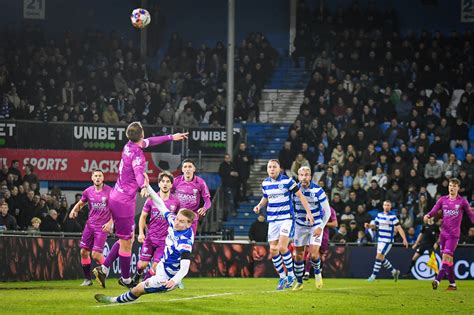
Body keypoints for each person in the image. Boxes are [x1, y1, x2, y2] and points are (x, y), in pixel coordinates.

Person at [93, 122, 188, 289]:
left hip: (116, 195)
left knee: (125, 239)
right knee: (127, 242)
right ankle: (126, 279)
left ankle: (104, 268)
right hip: (124, 202)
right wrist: (143, 186)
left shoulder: (129, 145)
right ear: (141, 133)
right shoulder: (137, 155)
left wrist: (172, 137)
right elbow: (138, 172)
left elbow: (151, 141)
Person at [94, 184, 195, 304]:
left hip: (165, 279)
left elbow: (185, 267)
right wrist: (147, 186)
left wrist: (174, 280)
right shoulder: (174, 222)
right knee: (151, 267)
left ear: (189, 225)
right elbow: (160, 204)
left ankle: (113, 300)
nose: (177, 222)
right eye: (177, 219)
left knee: (137, 289)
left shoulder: (185, 242)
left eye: (181, 221)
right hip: (164, 266)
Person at [253, 159, 314, 290]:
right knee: (273, 249)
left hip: (286, 218)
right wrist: (259, 205)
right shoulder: (265, 183)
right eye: (269, 167)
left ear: (279, 168)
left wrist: (309, 213)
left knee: (281, 247)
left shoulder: (287, 181)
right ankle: (282, 277)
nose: (272, 169)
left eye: (274, 167)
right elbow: (266, 197)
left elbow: (301, 196)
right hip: (273, 220)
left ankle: (291, 275)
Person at [424, 178, 474, 290]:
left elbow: (471, 215)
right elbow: (434, 210)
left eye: (454, 186)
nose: (452, 188)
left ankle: (437, 281)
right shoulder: (443, 200)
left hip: (454, 235)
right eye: (450, 185)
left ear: (458, 188)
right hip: (443, 234)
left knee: (445, 258)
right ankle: (452, 284)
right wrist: (428, 215)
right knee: (448, 260)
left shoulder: (462, 201)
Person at [132, 172, 180, 284]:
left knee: (156, 266)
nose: (165, 184)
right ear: (159, 184)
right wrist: (141, 233)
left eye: (168, 182)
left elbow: (178, 220)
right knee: (142, 264)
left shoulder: (176, 202)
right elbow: (143, 217)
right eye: (163, 181)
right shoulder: (151, 199)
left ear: (171, 185)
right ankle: (137, 276)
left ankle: (144, 284)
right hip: (150, 238)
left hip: (164, 241)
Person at [69, 170, 113, 287]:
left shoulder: (110, 191)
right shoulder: (88, 191)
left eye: (100, 176)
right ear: (92, 178)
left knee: (96, 255)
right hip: (90, 225)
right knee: (83, 252)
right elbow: (81, 203)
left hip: (102, 227)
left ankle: (105, 270)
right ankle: (88, 280)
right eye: (95, 176)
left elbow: (116, 209)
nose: (97, 178)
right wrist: (74, 210)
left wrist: (110, 223)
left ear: (103, 178)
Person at [292, 166, 331, 290]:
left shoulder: (318, 191)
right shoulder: (293, 190)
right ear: (298, 176)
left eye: (306, 175)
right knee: (298, 255)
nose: (304, 177)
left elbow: (328, 212)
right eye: (301, 175)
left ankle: (318, 273)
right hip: (300, 226)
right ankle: (299, 282)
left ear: (310, 176)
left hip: (315, 225)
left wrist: (320, 227)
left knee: (314, 255)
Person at [365, 200, 408, 282]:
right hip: (380, 239)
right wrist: (369, 226)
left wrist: (404, 239)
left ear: (390, 206)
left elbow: (399, 228)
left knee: (378, 257)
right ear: (383, 206)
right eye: (385, 205)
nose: (386, 206)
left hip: (388, 240)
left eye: (388, 205)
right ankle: (394, 271)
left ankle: (372, 277)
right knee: (381, 258)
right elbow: (375, 226)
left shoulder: (393, 217)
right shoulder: (379, 215)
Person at [172, 159, 211, 235]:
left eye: (190, 167)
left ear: (194, 169)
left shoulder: (200, 182)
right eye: (185, 167)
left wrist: (204, 208)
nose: (187, 169)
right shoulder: (176, 181)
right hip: (178, 216)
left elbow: (207, 200)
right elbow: (167, 194)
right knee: (176, 241)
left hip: (192, 217)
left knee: (189, 242)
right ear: (182, 169)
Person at [303, 207, 338, 281]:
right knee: (311, 253)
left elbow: (335, 224)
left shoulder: (330, 210)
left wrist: (322, 224)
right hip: (314, 233)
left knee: (321, 256)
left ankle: (319, 271)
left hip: (324, 235)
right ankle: (307, 273)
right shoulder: (313, 207)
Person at [218, 154, 239, 219]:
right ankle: (231, 212)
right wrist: (229, 173)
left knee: (233, 198)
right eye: (226, 158)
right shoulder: (222, 165)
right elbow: (221, 173)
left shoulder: (233, 164)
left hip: (234, 185)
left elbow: (237, 172)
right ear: (224, 158)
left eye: (229, 157)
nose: (228, 159)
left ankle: (231, 211)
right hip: (227, 185)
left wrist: (236, 174)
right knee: (230, 199)